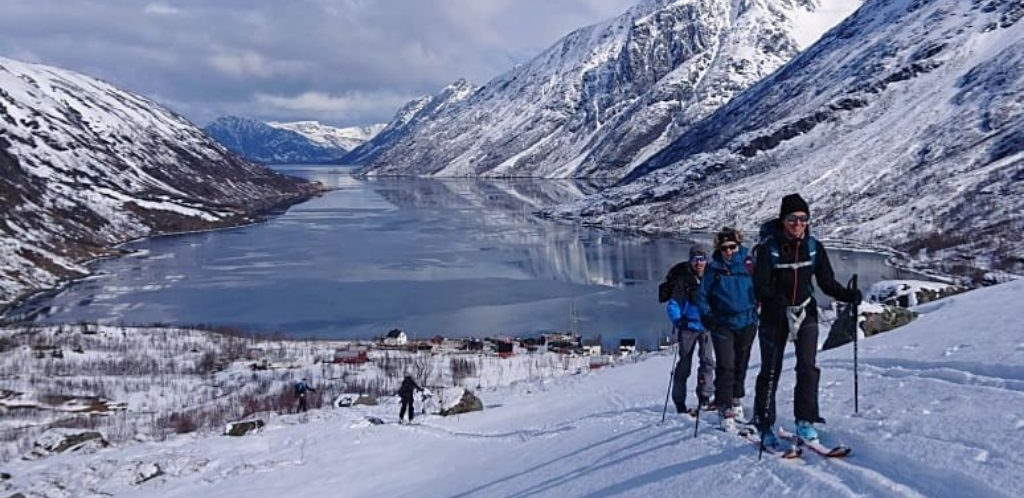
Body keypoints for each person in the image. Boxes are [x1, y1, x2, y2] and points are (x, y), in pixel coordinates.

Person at [751, 194, 862, 447]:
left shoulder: (814, 247)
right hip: (774, 316)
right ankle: (764, 423)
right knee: (770, 370)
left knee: (808, 368)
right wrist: (775, 299)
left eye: (803, 219)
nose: (798, 224)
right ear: (783, 220)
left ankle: (805, 421)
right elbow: (759, 287)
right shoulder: (769, 249)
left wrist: (848, 295)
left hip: (805, 312)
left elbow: (826, 283)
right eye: (792, 219)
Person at [695, 228, 758, 432]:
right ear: (718, 249)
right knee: (726, 365)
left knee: (741, 362)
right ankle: (724, 407)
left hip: (747, 321)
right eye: (724, 248)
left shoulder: (750, 265)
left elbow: (762, 287)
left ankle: (736, 398)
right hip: (722, 324)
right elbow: (702, 296)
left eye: (732, 247)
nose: (729, 251)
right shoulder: (713, 269)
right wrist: (708, 316)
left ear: (738, 245)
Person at [662, 244, 715, 414]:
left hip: (706, 327)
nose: (699, 263)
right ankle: (679, 402)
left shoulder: (711, 278)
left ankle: (705, 397)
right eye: (695, 259)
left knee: (707, 362)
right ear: (690, 261)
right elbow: (673, 304)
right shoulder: (683, 280)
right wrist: (678, 321)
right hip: (688, 327)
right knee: (684, 364)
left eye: (702, 259)